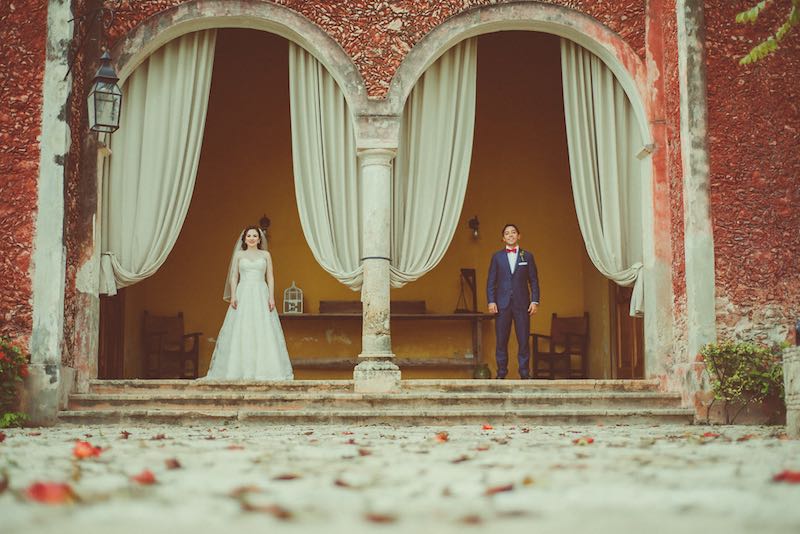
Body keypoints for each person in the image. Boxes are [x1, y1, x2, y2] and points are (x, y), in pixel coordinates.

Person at [202, 226, 294, 380]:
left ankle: (266, 370)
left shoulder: (266, 255)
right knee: (242, 328)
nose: (252, 238)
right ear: (244, 239)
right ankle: (236, 370)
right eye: (249, 235)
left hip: (260, 292)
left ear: (259, 239)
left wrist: (271, 297)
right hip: (243, 292)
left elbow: (270, 277)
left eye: (255, 236)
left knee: (262, 328)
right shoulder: (239, 255)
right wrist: (233, 296)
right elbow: (234, 277)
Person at [486, 223, 540, 379]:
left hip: (522, 304)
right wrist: (491, 301)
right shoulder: (497, 257)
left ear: (519, 236)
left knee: (523, 340)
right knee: (501, 341)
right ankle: (501, 374)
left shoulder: (527, 256)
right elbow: (491, 281)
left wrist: (535, 301)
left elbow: (534, 280)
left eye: (513, 232)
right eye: (507, 233)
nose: (510, 235)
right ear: (503, 238)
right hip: (501, 305)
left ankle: (524, 374)